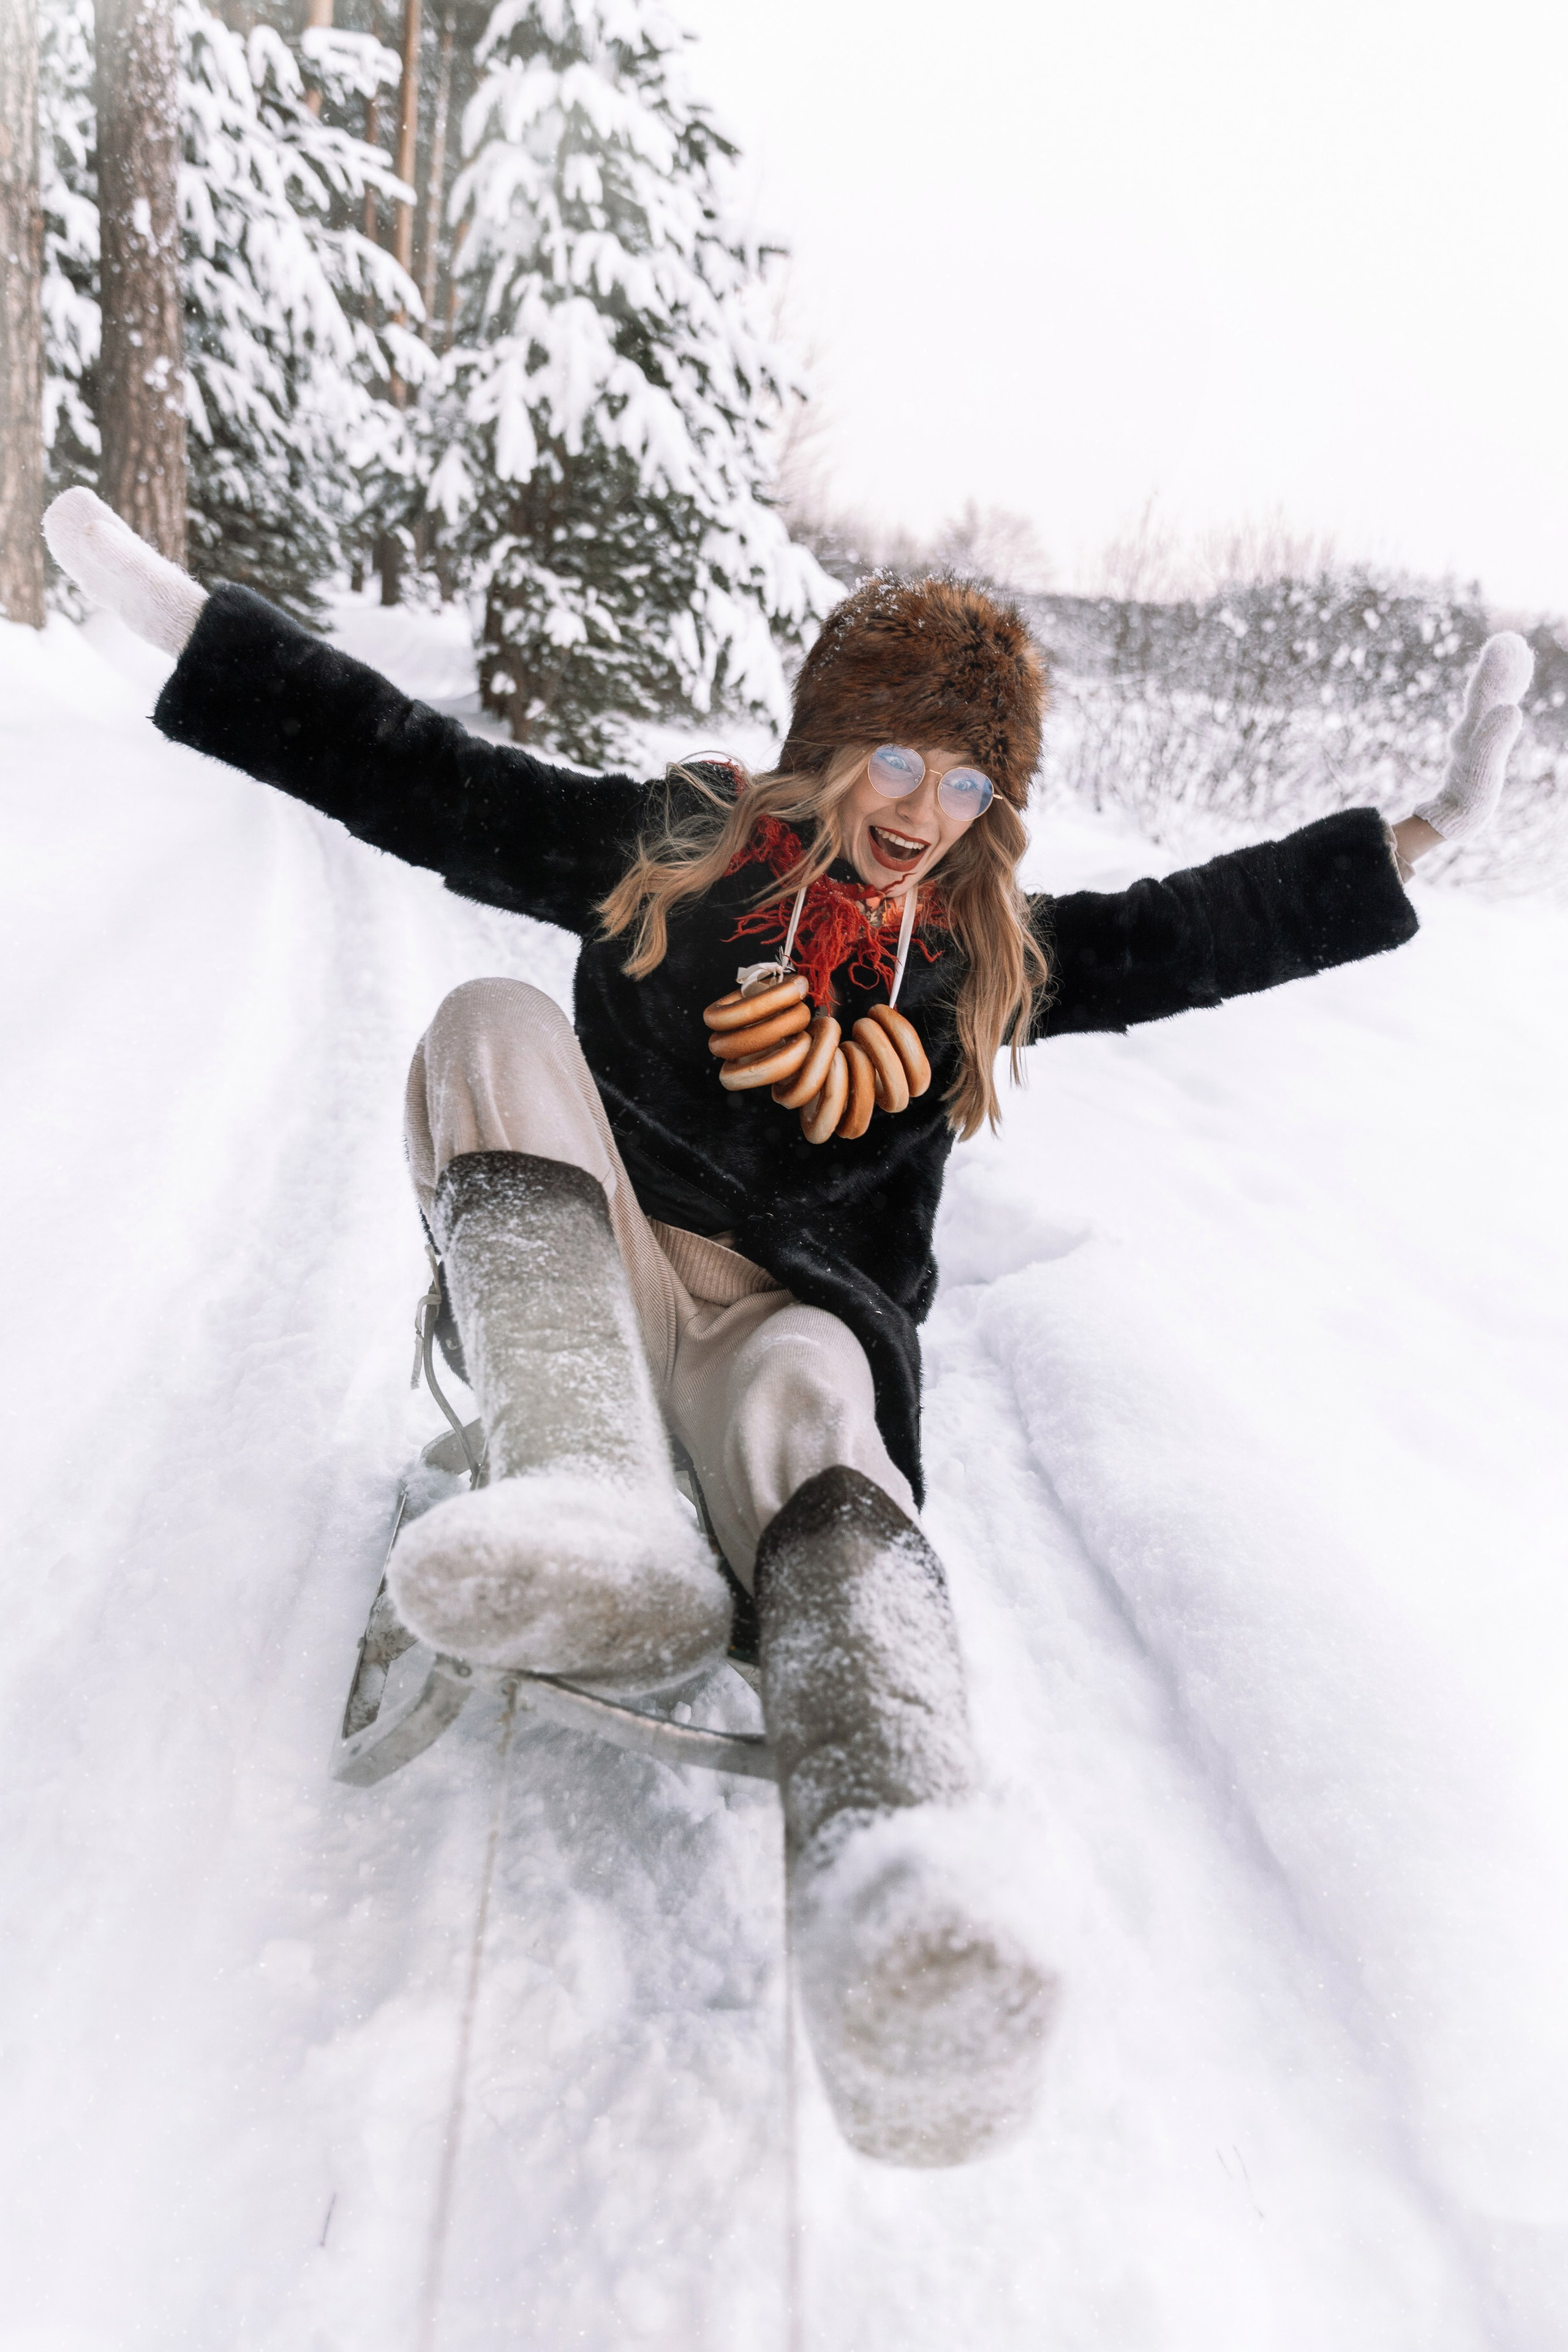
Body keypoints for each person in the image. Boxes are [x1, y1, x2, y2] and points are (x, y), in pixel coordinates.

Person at [41, 486, 1532, 2169]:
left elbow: (1189, 931)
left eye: (968, 786)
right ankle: (591, 1486)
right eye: (899, 761)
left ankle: (903, 1879)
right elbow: (422, 777)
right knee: (486, 1018)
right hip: (597, 1270)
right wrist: (189, 632)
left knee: (825, 1414)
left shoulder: (973, 962)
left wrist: (1414, 837)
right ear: (830, 746)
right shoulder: (678, 850)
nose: (924, 812)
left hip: (783, 1331)